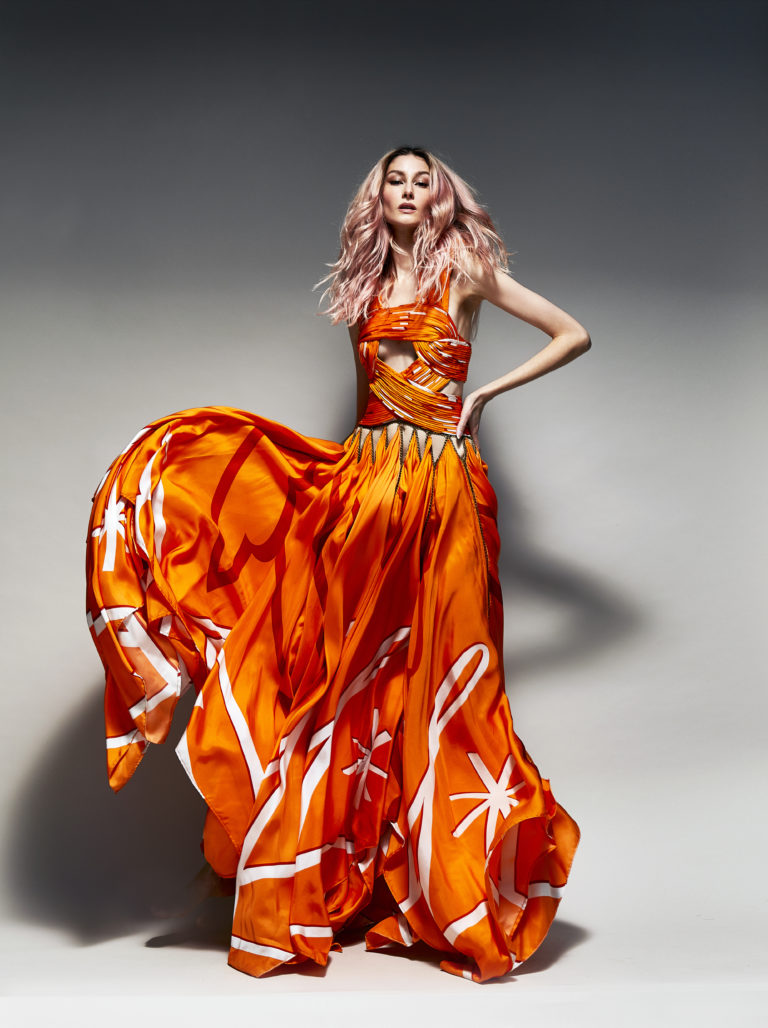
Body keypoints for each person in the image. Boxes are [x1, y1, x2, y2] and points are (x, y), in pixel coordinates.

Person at [86, 146, 588, 983]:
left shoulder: (466, 272)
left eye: (422, 181)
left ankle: (453, 887)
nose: (408, 191)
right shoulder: (364, 289)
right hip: (367, 489)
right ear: (378, 196)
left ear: (439, 197)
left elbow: (574, 333)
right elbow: (370, 406)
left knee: (445, 683)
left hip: (444, 495)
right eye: (396, 180)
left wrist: (484, 395)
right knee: (343, 679)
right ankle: (337, 878)